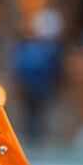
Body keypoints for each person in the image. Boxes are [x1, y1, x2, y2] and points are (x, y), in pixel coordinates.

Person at [13, 10, 63, 145]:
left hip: (34, 84)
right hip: (38, 85)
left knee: (34, 112)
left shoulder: (28, 46)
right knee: (35, 112)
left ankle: (35, 136)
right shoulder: (49, 48)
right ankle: (36, 136)